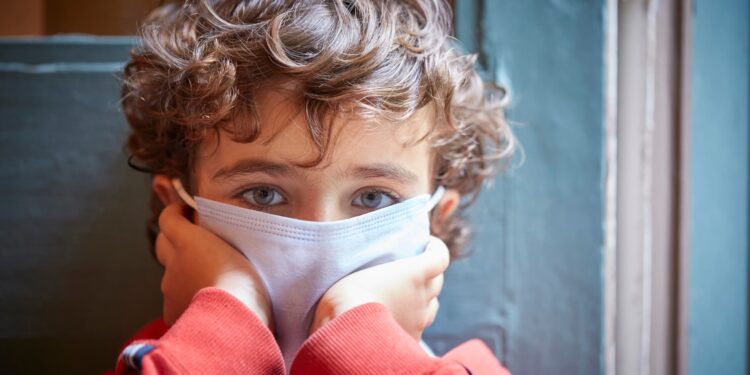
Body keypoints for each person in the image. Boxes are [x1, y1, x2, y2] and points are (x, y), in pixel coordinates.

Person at [113, 0, 515, 373]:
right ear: (182, 214)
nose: (321, 236)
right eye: (264, 194)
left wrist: (361, 338)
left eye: (372, 198)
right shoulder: (159, 363)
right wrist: (229, 312)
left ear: (434, 221)